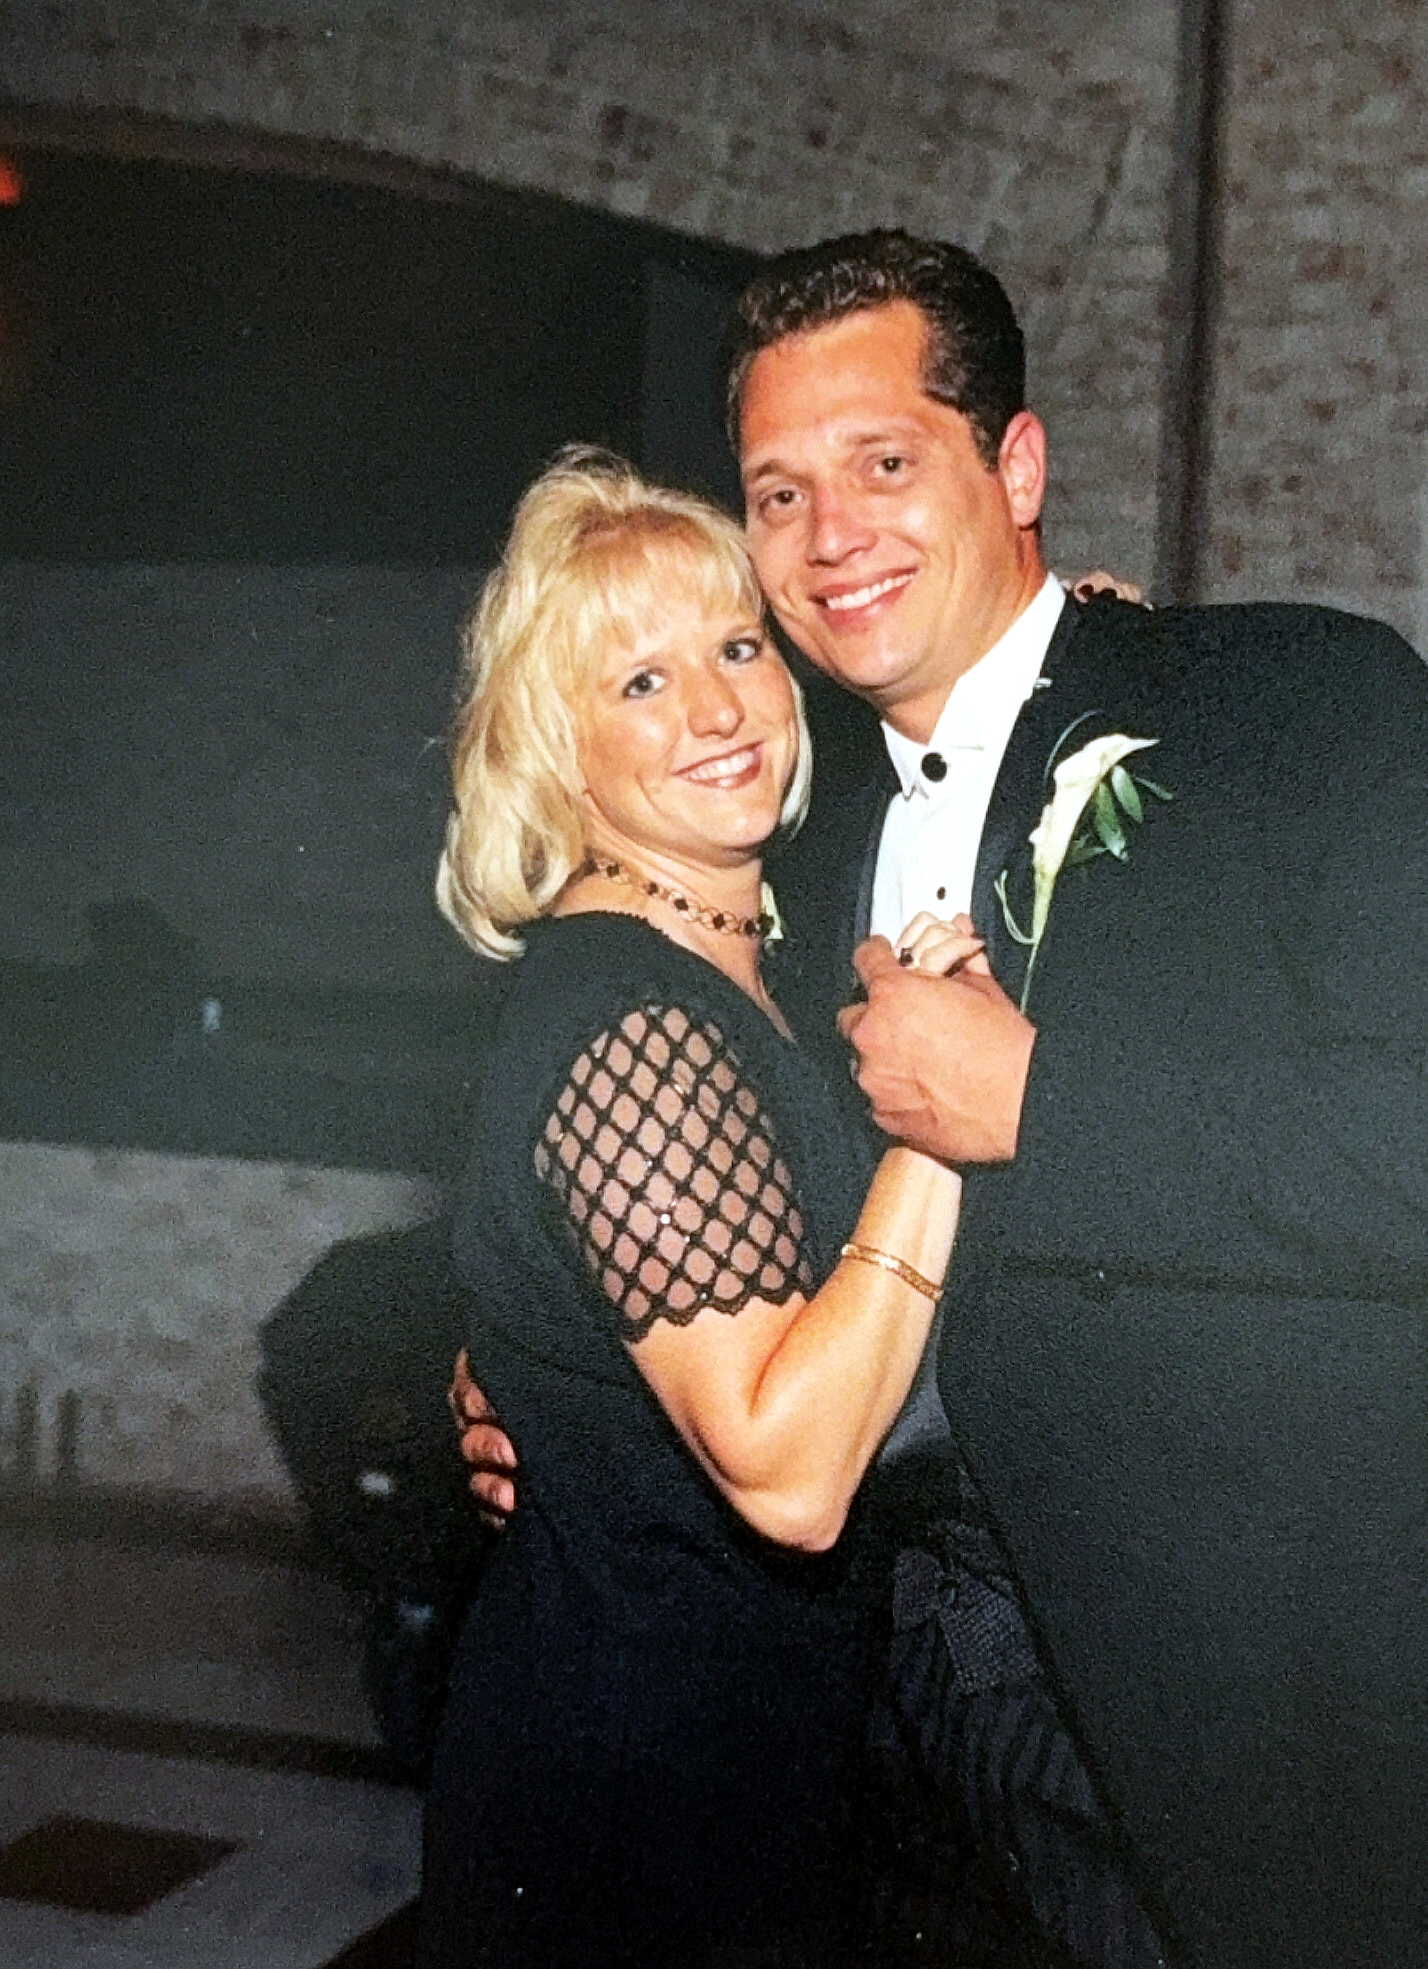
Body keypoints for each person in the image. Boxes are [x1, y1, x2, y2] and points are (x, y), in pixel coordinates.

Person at [459, 230, 1428, 1968]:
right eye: (778, 494)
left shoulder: (1286, 704)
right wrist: (544, 1367)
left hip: (1273, 1735)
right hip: (890, 1758)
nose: (830, 535)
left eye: (883, 463)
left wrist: (1044, 1103)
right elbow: (678, 1175)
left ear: (1014, 467)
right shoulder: (777, 823)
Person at [415, 447, 985, 1968]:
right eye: (641, 682)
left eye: (737, 649)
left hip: (750, 1748)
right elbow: (788, 1472)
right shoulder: (636, 1027)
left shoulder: (749, 975)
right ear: (559, 751)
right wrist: (936, 1125)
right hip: (645, 1790)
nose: (719, 710)